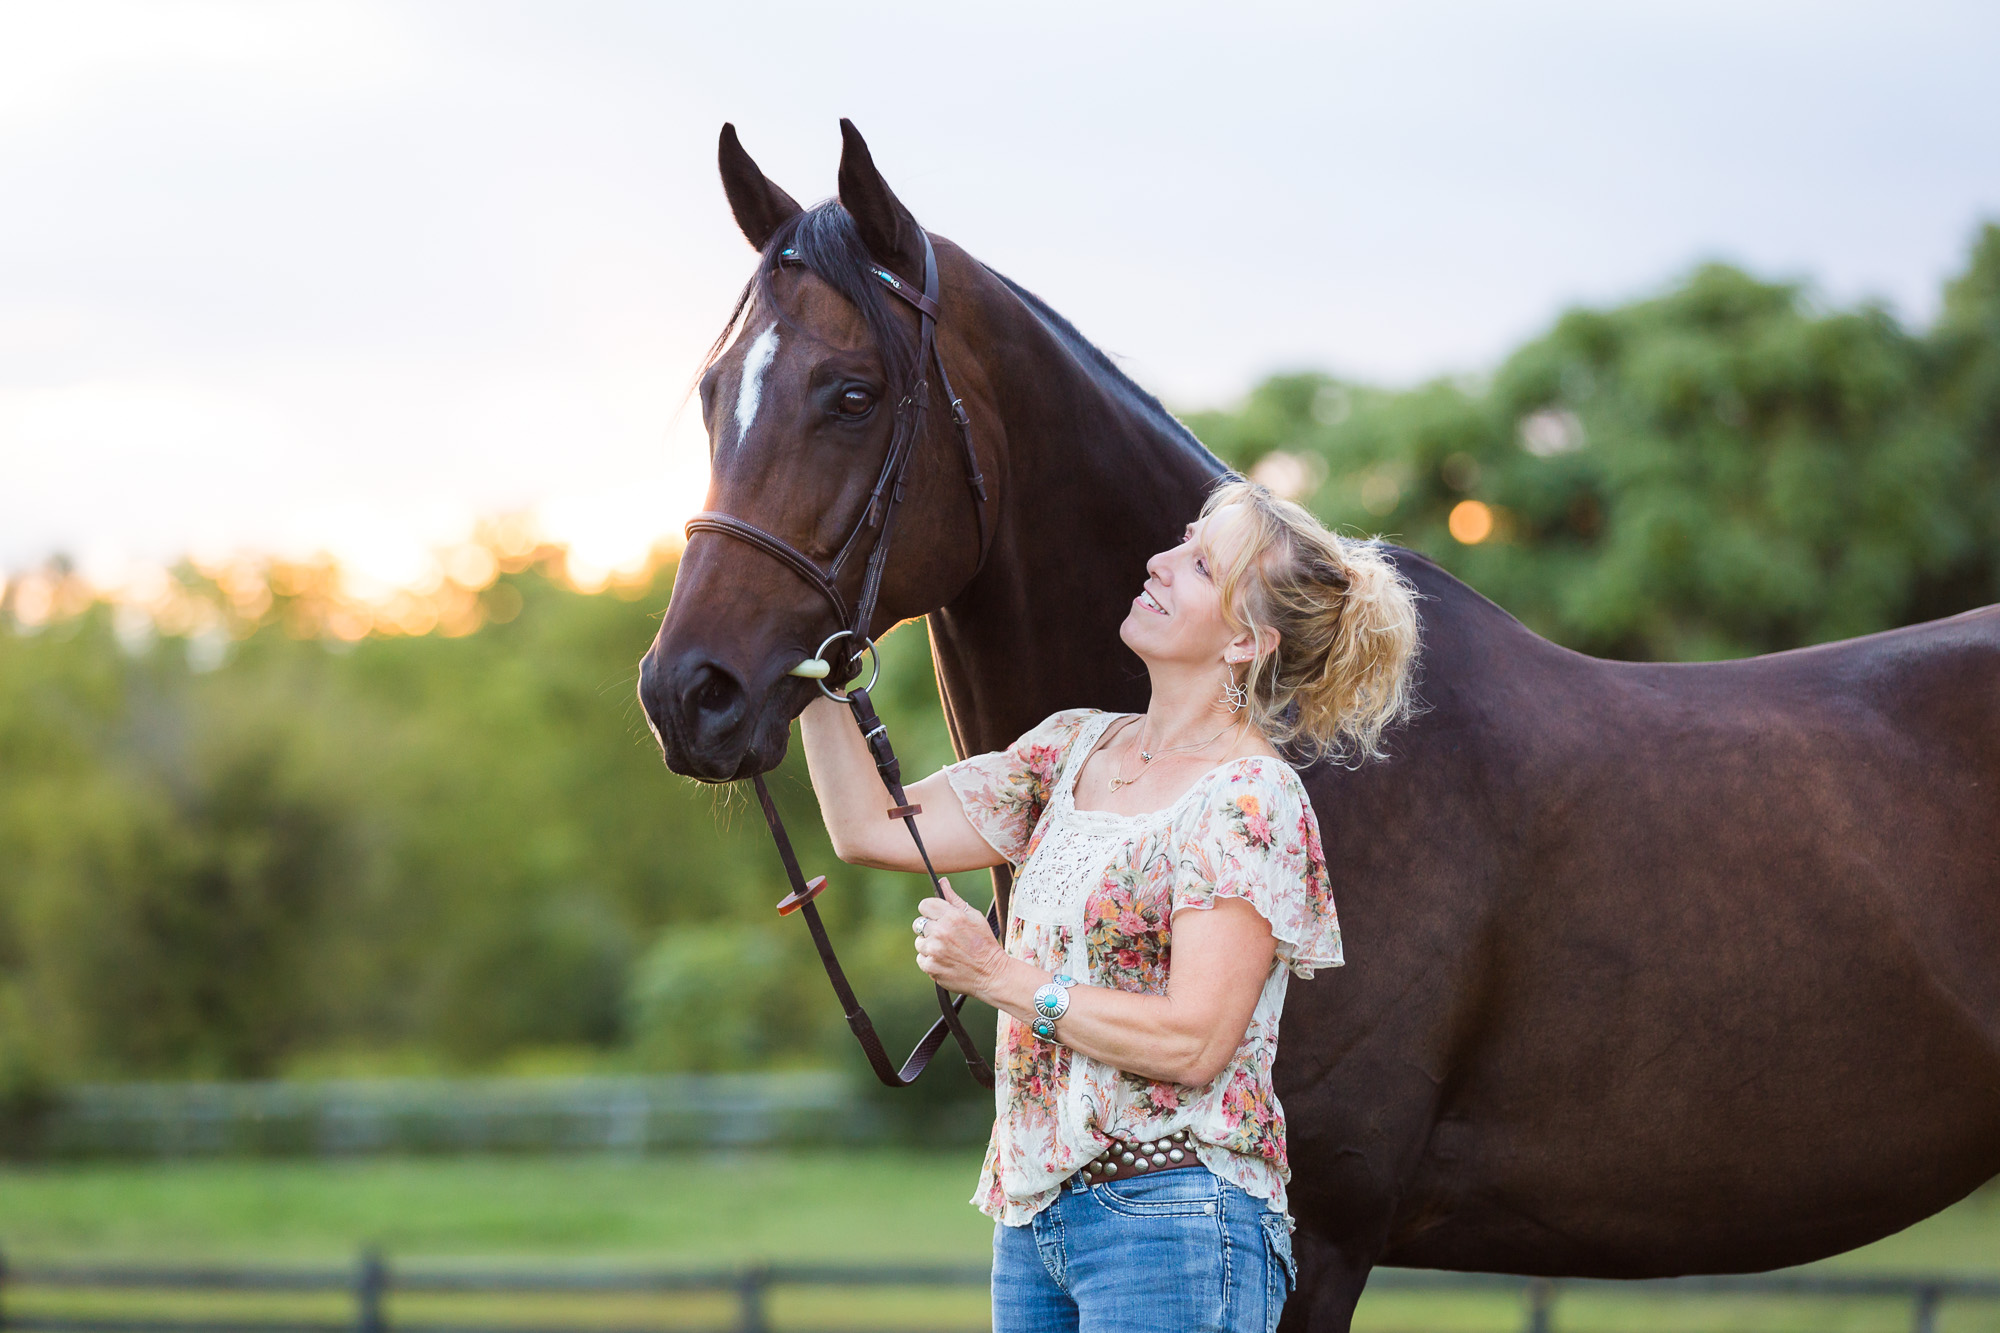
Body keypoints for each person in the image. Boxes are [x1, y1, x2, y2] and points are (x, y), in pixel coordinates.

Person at [799, 477, 1420, 1333]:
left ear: (1246, 642)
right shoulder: (1071, 748)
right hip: (1034, 1219)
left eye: (1201, 564)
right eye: (1182, 542)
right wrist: (808, 662)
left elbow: (1195, 1040)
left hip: (1175, 1222)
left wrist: (997, 974)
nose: (1160, 564)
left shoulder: (1248, 798)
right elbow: (871, 822)